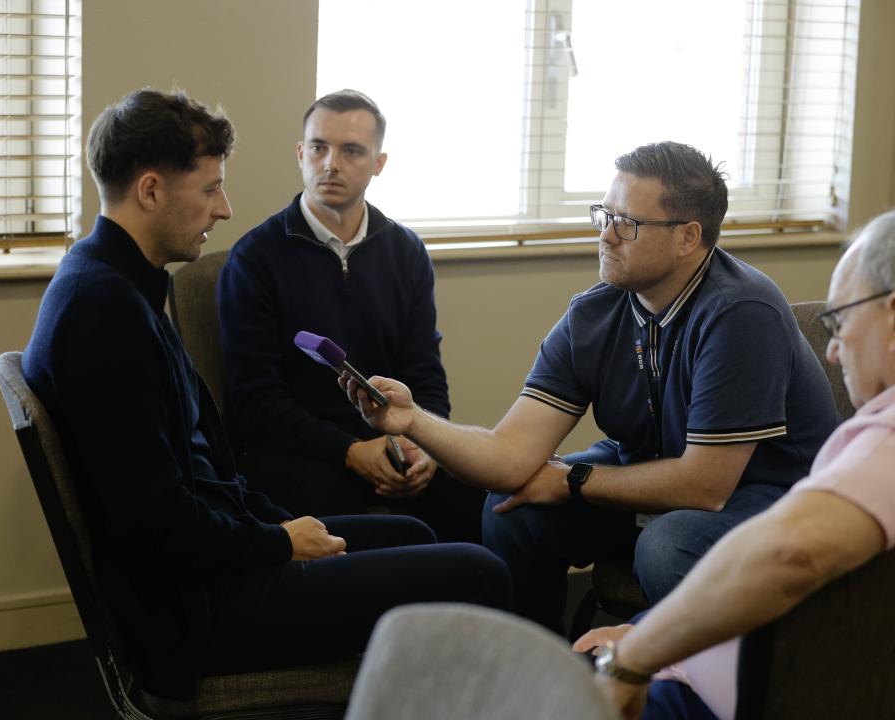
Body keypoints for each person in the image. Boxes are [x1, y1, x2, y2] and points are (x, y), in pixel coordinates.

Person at [21, 88, 512, 701]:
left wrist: (274, 524)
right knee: (479, 571)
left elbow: (190, 481)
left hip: (219, 559)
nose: (224, 209)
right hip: (203, 607)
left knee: (417, 532)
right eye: (209, 190)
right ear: (150, 191)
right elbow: (155, 526)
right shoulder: (106, 315)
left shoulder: (113, 284)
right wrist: (279, 541)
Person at [340, 141, 838, 632]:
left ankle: (673, 686)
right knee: (510, 508)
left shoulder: (741, 311)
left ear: (688, 237)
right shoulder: (595, 313)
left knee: (668, 544)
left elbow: (704, 486)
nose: (606, 235)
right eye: (605, 214)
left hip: (769, 495)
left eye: (628, 223)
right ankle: (537, 679)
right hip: (653, 481)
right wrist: (412, 421)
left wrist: (573, 481)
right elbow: (509, 455)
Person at [570, 210, 895, 719]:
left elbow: (789, 552)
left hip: (722, 695)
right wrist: (645, 629)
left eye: (841, 320)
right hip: (698, 662)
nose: (832, 350)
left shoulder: (888, 440)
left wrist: (633, 657)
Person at [218, 89, 483, 542]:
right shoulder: (255, 258)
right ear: (301, 154)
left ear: (379, 163)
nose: (330, 164)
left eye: (351, 151)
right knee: (364, 528)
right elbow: (253, 401)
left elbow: (425, 375)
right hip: (297, 452)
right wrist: (351, 451)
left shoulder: (406, 252)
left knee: (482, 494)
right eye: (319, 147)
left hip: (394, 436)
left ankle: (463, 611)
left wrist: (426, 445)